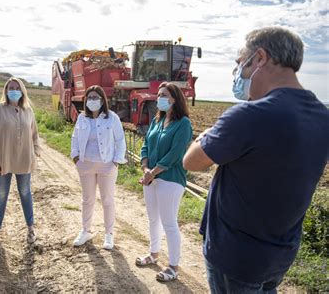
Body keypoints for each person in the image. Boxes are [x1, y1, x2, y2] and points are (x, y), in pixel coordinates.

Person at [183, 27, 329, 293]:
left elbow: (191, 162)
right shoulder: (321, 115)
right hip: (281, 253)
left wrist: (204, 134)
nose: (238, 73)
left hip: (235, 254)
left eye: (240, 63)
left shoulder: (249, 115)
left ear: (260, 58)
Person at [135, 82, 192, 282]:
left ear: (174, 99)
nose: (159, 98)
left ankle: (173, 266)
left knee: (169, 223)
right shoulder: (156, 121)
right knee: (152, 219)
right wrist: (145, 168)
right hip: (151, 178)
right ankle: (153, 254)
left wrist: (154, 172)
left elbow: (175, 154)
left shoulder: (183, 123)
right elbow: (145, 145)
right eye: (158, 94)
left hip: (170, 179)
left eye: (164, 95)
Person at [71, 85, 127, 250]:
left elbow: (120, 141)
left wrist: (115, 162)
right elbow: (74, 138)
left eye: (95, 97)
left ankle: (109, 235)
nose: (92, 101)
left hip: (106, 166)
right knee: (87, 200)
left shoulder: (112, 118)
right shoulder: (82, 118)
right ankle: (85, 231)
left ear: (103, 100)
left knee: (107, 200)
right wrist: (76, 158)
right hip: (85, 164)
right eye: (89, 98)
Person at [0, 77, 40, 244]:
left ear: (22, 91)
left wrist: (35, 152)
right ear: (6, 90)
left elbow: (34, 134)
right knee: (2, 194)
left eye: (17, 87)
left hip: (24, 161)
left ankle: (30, 229)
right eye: (11, 87)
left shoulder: (28, 111)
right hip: (3, 160)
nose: (14, 90)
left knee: (25, 193)